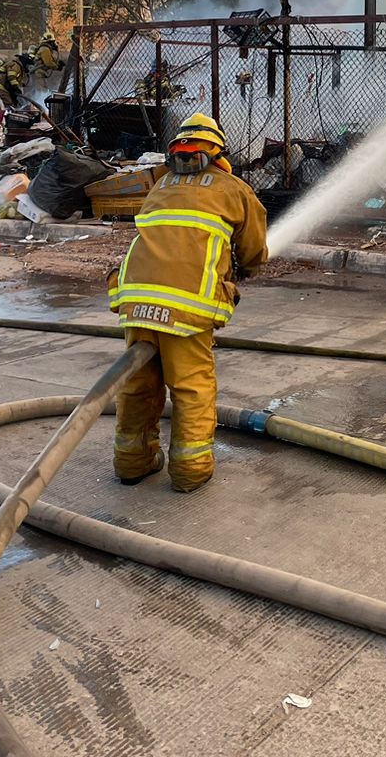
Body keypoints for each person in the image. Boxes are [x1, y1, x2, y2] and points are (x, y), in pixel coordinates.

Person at [107, 112, 268, 493]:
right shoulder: (233, 188)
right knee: (191, 386)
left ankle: (132, 462)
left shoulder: (159, 185)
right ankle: (190, 470)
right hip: (187, 307)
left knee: (138, 384)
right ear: (218, 153)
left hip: (137, 300)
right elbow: (254, 250)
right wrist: (243, 269)